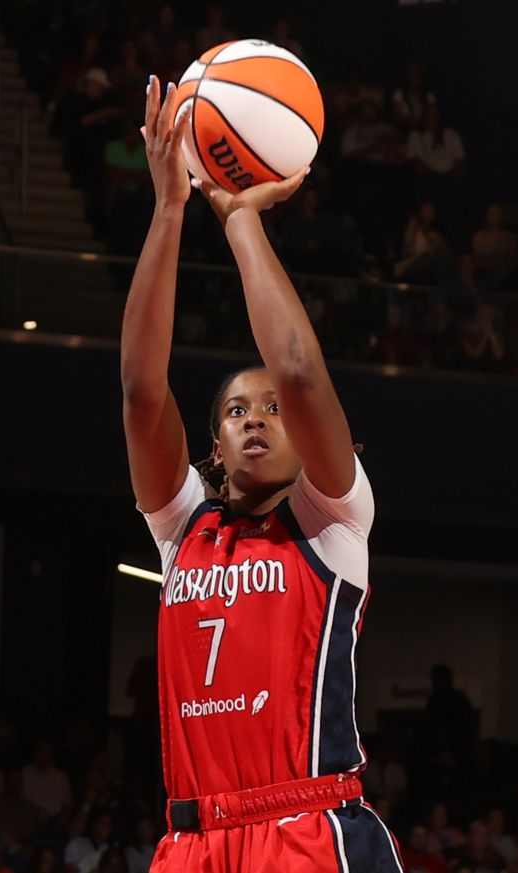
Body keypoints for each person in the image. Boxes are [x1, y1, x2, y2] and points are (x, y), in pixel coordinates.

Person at [122, 75, 400, 873]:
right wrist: (169, 207)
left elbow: (303, 373)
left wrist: (241, 219)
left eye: (271, 411)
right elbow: (143, 392)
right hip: (190, 842)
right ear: (213, 444)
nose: (256, 416)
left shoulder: (334, 519)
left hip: (306, 827)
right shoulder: (183, 532)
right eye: (239, 409)